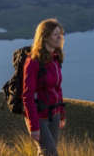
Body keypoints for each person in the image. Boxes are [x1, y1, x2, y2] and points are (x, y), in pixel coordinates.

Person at [22, 18, 66, 156]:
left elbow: (57, 89)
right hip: (39, 117)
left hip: (54, 114)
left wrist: (61, 112)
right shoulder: (33, 62)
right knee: (51, 153)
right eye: (55, 34)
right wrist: (34, 126)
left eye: (60, 33)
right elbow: (27, 96)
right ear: (45, 37)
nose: (60, 37)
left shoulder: (55, 58)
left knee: (47, 153)